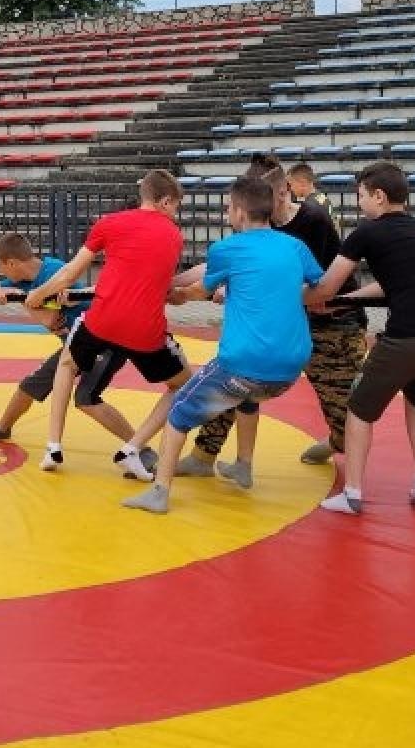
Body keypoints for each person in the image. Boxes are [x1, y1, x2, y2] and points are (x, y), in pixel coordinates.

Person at [124, 175, 324, 514]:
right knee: (246, 395)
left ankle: (159, 492)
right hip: (290, 367)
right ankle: (243, 464)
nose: (226, 213)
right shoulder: (294, 246)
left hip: (245, 361)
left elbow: (200, 291)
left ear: (241, 213)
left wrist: (175, 295)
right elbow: (318, 287)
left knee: (178, 411)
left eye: (228, 208)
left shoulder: (226, 249)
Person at [178, 152, 368, 476]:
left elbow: (323, 287)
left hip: (332, 323)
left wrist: (254, 293)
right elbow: (223, 266)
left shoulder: (313, 221)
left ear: (282, 193)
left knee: (343, 411)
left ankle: (338, 441)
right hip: (283, 319)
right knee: (230, 373)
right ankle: (204, 454)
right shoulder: (254, 222)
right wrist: (173, 283)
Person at [306, 161, 415, 515]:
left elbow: (326, 286)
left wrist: (291, 296)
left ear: (379, 197)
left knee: (358, 409)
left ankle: (351, 493)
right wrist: (350, 299)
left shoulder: (367, 232)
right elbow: (394, 282)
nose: (359, 203)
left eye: (361, 196)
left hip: (410, 338)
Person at [24, 169, 191, 480]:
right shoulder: (173, 235)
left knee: (66, 364)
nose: (176, 212)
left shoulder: (109, 222)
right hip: (144, 330)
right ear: (166, 201)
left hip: (102, 321)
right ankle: (133, 448)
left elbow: (69, 274)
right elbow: (164, 286)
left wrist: (37, 295)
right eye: (176, 205)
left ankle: (53, 445)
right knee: (182, 385)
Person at [0, 231, 125, 448]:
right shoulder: (22, 279)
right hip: (73, 345)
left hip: (100, 342)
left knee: (86, 399)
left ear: (11, 263)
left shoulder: (54, 274)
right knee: (29, 386)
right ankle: (2, 428)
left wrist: (19, 298)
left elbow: (51, 320)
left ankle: (139, 447)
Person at [288, 162, 342, 236]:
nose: (290, 189)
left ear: (302, 183)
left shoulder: (309, 206)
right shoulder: (323, 198)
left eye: (291, 184)